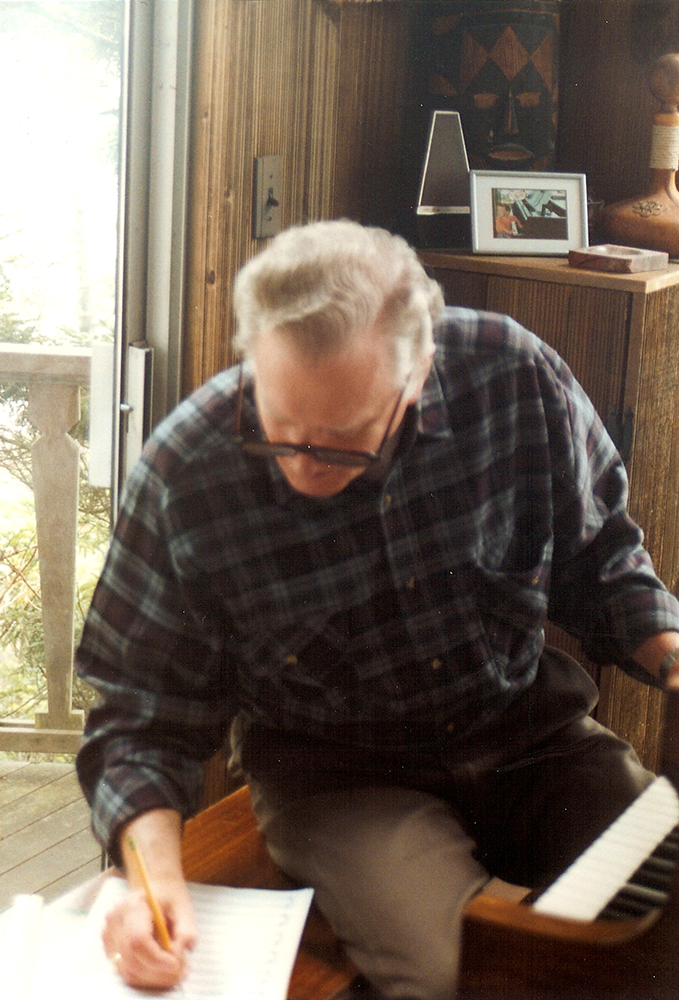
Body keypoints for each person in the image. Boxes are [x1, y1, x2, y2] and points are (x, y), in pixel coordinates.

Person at [75, 219, 679, 1000]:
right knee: (459, 973)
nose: (299, 467)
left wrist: (669, 655)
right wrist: (150, 888)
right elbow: (138, 720)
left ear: (421, 369)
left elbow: (602, 563)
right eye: (276, 428)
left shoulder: (513, 373)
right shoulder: (185, 474)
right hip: (342, 780)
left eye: (338, 442)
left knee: (663, 918)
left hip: (533, 737)